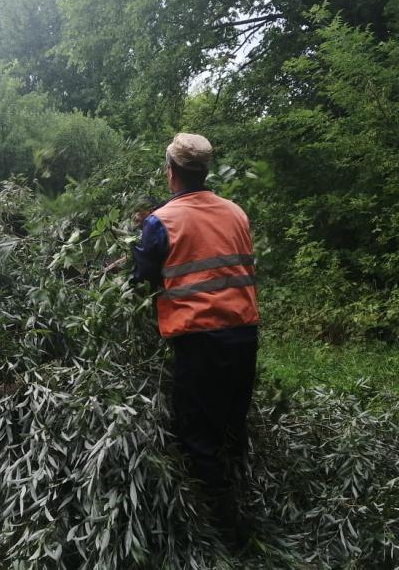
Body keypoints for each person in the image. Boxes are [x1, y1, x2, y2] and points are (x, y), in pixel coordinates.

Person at [132, 133, 259, 548]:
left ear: (170, 172)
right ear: (204, 171)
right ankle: (249, 495)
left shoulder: (162, 220)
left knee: (196, 431)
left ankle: (222, 529)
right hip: (243, 334)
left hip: (198, 340)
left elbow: (143, 278)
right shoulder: (236, 212)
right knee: (232, 421)